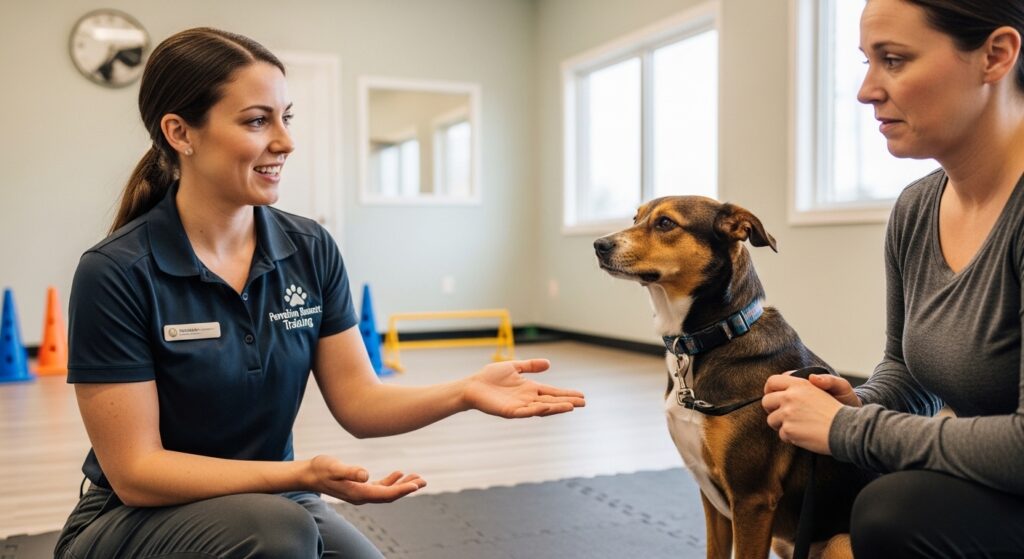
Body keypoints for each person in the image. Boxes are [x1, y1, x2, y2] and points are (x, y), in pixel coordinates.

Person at [54, 27, 585, 559]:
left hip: (273, 499)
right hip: (136, 518)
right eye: (257, 121)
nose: (285, 142)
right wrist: (300, 473)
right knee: (278, 537)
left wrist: (465, 391)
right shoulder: (117, 271)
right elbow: (137, 473)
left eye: (286, 118)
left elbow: (360, 402)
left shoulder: (309, 248)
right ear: (180, 132)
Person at [762, 0, 1024, 557]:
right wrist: (854, 404)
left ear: (995, 56)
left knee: (892, 512)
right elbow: (910, 373)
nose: (866, 91)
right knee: (864, 486)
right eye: (866, 61)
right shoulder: (916, 207)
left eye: (895, 60)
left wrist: (846, 430)